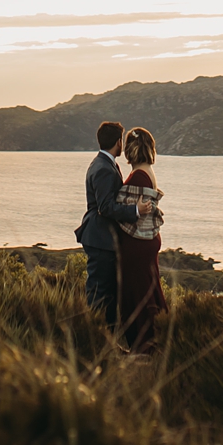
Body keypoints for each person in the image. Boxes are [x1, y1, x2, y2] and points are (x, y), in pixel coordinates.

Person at [73, 120, 138, 331]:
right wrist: (136, 211)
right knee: (100, 294)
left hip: (102, 238)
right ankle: (95, 340)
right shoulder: (103, 168)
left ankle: (106, 340)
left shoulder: (104, 163)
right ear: (118, 141)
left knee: (106, 293)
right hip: (100, 239)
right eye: (122, 139)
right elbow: (105, 207)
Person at [115, 126, 168, 351]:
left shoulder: (138, 175)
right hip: (147, 243)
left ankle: (145, 346)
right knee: (148, 290)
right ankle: (153, 341)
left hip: (137, 245)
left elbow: (128, 209)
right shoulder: (147, 171)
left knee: (136, 295)